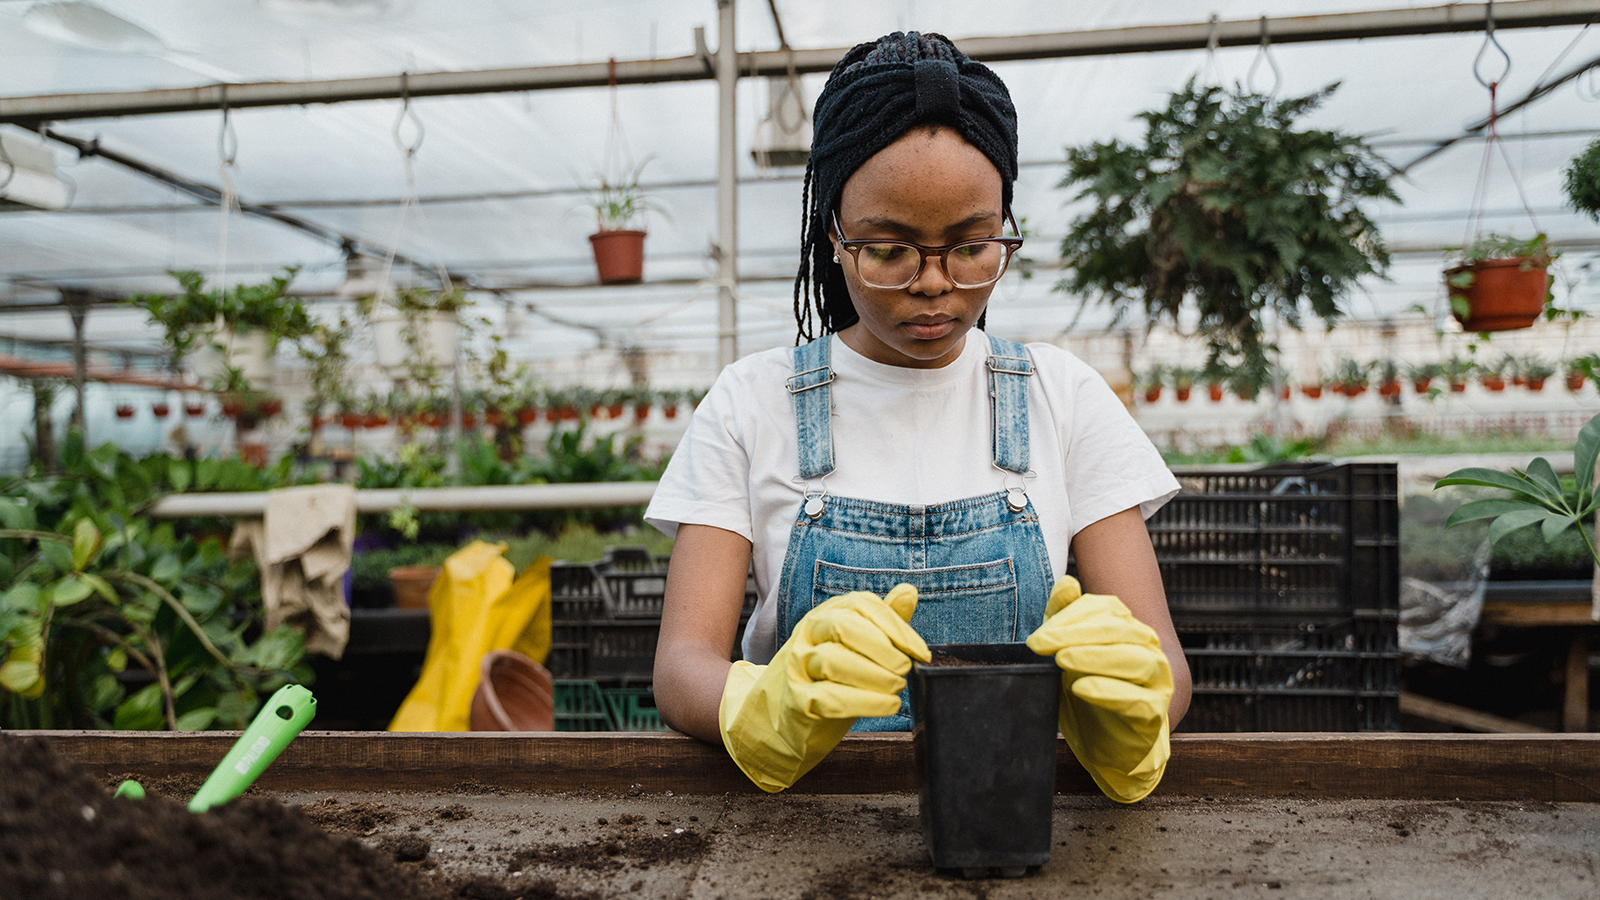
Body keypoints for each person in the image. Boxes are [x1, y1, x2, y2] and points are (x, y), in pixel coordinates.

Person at [645, 31, 1190, 803]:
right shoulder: (751, 402)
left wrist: (1132, 709)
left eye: (972, 246)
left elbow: (1164, 661)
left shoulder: (1062, 395)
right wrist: (757, 703)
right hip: (806, 823)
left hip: (1011, 813)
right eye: (889, 250)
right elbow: (681, 666)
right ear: (834, 235)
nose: (934, 283)